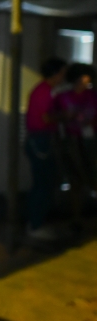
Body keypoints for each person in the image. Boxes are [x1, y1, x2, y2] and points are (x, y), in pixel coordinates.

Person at [24, 57, 67, 240]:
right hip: (40, 140)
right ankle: (35, 225)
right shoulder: (44, 91)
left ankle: (36, 223)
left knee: (43, 183)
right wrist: (64, 116)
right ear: (55, 73)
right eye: (62, 72)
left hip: (40, 139)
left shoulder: (45, 90)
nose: (63, 76)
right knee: (43, 184)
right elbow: (46, 118)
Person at [53, 62, 97, 233]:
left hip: (90, 140)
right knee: (75, 180)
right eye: (85, 77)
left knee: (91, 175)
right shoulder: (63, 97)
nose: (87, 80)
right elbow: (53, 116)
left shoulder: (92, 96)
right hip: (71, 140)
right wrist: (65, 116)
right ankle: (76, 217)